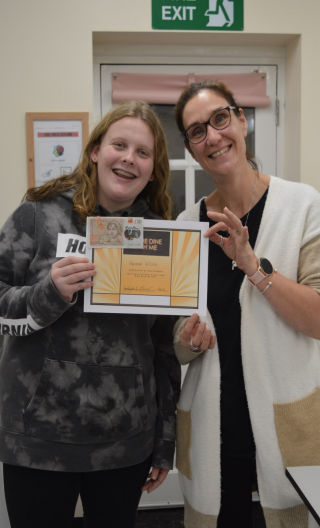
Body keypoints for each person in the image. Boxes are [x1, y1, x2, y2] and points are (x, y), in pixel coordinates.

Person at [0, 100, 180, 528]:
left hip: (124, 443)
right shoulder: (39, 214)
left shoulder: (159, 236)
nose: (128, 158)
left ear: (153, 170)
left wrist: (164, 440)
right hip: (38, 442)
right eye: (119, 144)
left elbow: (162, 349)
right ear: (96, 150)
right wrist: (48, 294)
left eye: (143, 152)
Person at [173, 80, 320, 528]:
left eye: (220, 118)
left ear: (241, 120)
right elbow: (177, 346)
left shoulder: (303, 205)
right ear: (192, 149)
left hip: (288, 423)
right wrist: (188, 342)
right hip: (215, 429)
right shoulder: (186, 225)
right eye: (197, 132)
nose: (212, 136)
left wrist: (254, 267)